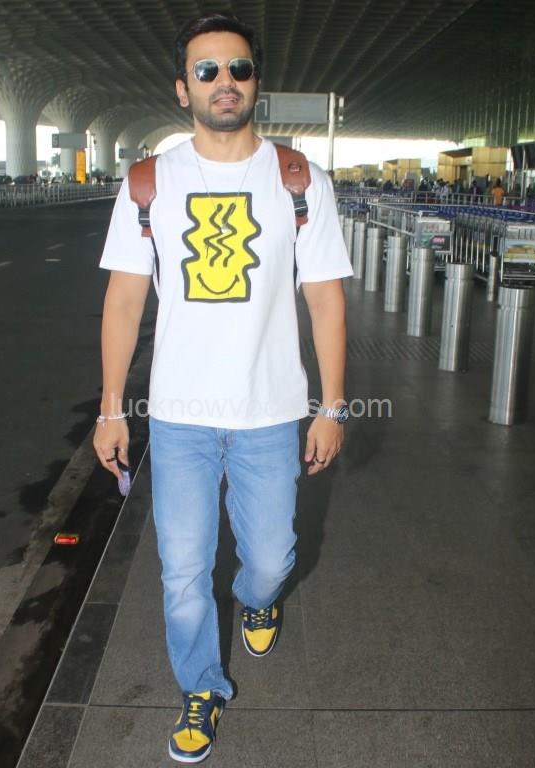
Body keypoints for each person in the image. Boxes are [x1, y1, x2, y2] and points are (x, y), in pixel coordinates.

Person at [94, 12, 352, 764]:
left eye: (238, 68)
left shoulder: (299, 180)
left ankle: (259, 600)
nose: (224, 82)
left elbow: (326, 299)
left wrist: (332, 406)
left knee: (270, 558)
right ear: (183, 89)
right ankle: (200, 687)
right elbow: (123, 302)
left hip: (270, 412)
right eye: (206, 71)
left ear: (256, 83)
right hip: (179, 417)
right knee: (182, 571)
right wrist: (111, 410)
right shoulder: (149, 183)